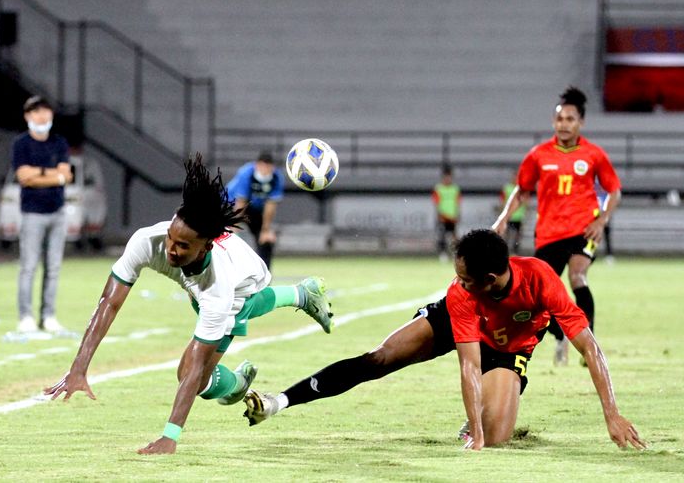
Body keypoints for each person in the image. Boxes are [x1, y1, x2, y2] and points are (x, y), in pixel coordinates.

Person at [242, 230, 644, 451]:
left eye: (465, 277)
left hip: (507, 350)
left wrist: (611, 413)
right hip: (460, 323)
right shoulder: (462, 294)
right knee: (379, 358)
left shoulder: (540, 279)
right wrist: (477, 433)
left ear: (490, 279)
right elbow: (468, 364)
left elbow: (589, 346)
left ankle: (481, 417)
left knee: (499, 437)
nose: (457, 282)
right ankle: (280, 401)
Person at [44, 154, 333, 455]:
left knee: (192, 373)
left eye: (182, 245)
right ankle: (300, 298)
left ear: (206, 245)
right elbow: (109, 302)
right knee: (202, 357)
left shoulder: (218, 287)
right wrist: (78, 368)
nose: (171, 249)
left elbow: (195, 368)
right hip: (202, 282)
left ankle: (249, 367)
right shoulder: (148, 241)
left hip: (242, 280)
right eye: (171, 238)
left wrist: (171, 436)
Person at [493, 86, 621, 366]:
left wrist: (602, 220)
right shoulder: (539, 155)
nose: (564, 124)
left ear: (581, 123)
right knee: (539, 296)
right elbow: (522, 190)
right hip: (549, 234)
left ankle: (590, 347)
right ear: (554, 122)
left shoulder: (593, 155)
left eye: (570, 119)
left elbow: (614, 190)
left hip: (583, 229)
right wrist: (503, 218)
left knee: (578, 277)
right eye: (560, 119)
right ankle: (561, 336)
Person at [12, 96, 73, 333]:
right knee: (28, 266)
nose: (42, 116)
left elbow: (67, 176)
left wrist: (39, 175)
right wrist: (52, 174)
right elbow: (23, 177)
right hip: (32, 213)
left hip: (57, 212)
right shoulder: (21, 144)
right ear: (28, 116)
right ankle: (25, 316)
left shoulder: (59, 142)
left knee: (54, 267)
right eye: (36, 112)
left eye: (46, 111)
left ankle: (48, 316)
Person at [226, 152, 285, 269]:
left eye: (268, 167)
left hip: (254, 209)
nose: (265, 170)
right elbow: (241, 202)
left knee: (266, 240)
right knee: (224, 240)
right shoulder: (246, 173)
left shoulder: (277, 177)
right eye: (263, 167)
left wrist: (265, 230)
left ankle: (264, 277)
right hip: (229, 206)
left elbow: (270, 204)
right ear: (257, 165)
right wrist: (234, 227)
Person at [432, 164, 461, 261]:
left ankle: (456, 254)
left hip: (452, 216)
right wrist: (439, 215)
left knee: (454, 236)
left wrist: (457, 215)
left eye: (449, 177)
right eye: (446, 177)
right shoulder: (438, 188)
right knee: (442, 236)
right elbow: (436, 203)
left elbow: (457, 203)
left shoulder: (455, 189)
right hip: (443, 216)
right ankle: (443, 253)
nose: (447, 179)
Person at [500, 170, 527, 254]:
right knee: (507, 234)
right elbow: (503, 201)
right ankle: (506, 250)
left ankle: (515, 251)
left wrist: (524, 212)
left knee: (517, 235)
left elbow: (525, 201)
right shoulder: (507, 188)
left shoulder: (522, 188)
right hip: (509, 216)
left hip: (518, 216)